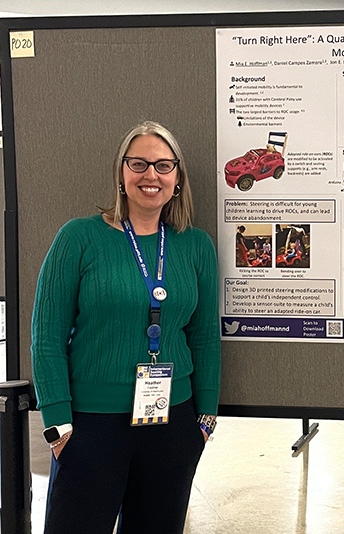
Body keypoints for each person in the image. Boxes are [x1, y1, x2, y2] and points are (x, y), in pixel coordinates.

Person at [31, 121, 220, 534]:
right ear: (121, 172)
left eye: (163, 166)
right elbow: (46, 337)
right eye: (139, 164)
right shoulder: (78, 238)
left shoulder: (195, 245)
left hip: (172, 423)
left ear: (177, 178)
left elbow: (205, 337)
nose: (150, 175)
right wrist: (58, 424)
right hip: (89, 426)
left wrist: (204, 420)